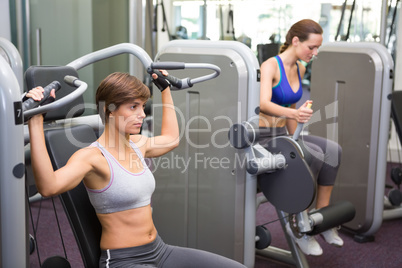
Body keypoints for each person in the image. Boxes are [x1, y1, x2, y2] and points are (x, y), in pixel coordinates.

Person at [27, 71, 247, 268]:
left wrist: (165, 89)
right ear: (109, 110)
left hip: (160, 251)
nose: (142, 114)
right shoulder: (92, 158)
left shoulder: (138, 144)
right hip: (124, 260)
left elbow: (171, 139)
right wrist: (36, 120)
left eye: (142, 106)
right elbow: (48, 186)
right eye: (133, 107)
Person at [258, 19, 343, 256]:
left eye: (317, 48)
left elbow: (293, 106)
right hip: (264, 138)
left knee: (333, 151)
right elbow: (263, 103)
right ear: (296, 41)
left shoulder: (300, 67)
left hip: (285, 134)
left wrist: (296, 136)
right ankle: (299, 227)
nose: (314, 53)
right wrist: (294, 113)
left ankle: (321, 219)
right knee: (307, 158)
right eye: (311, 47)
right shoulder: (270, 66)